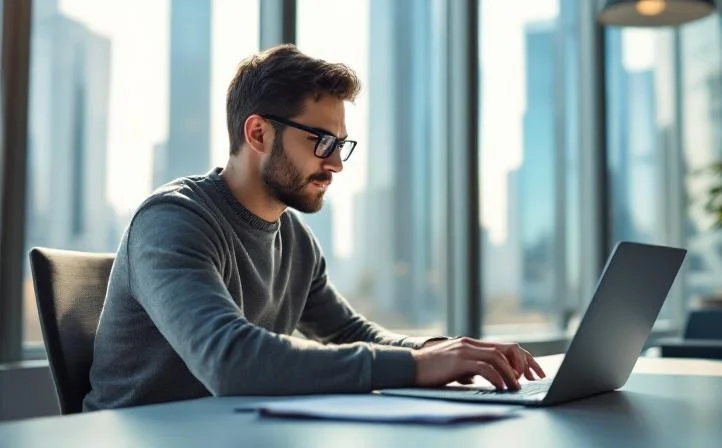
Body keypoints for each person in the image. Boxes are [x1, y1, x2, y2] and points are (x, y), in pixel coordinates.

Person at [84, 44, 545, 411]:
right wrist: (416, 365)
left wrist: (442, 351)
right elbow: (229, 361)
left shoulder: (294, 238)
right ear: (259, 134)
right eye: (322, 141)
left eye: (341, 145)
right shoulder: (172, 221)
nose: (336, 164)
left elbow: (348, 331)